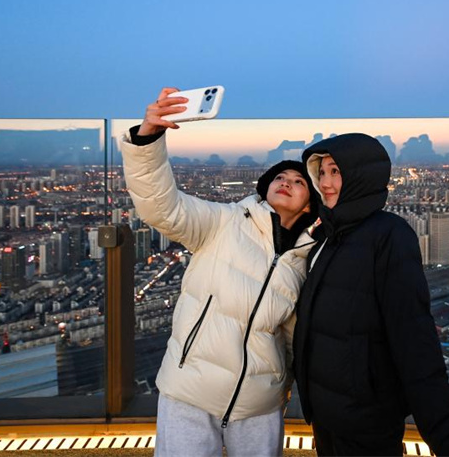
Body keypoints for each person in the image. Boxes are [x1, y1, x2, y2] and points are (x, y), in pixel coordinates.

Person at [122, 87, 319, 457]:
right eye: (280, 178)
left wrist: (284, 385)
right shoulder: (224, 222)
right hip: (190, 391)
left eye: (298, 182)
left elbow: (294, 338)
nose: (286, 182)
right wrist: (148, 137)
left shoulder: (306, 258)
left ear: (310, 206)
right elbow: (162, 208)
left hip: (260, 402)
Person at [293, 133, 449, 457]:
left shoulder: (389, 236)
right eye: (322, 172)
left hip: (366, 422)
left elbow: (414, 337)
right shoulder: (326, 238)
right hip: (326, 417)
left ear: (361, 176)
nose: (326, 182)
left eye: (336, 171)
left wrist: (446, 436)